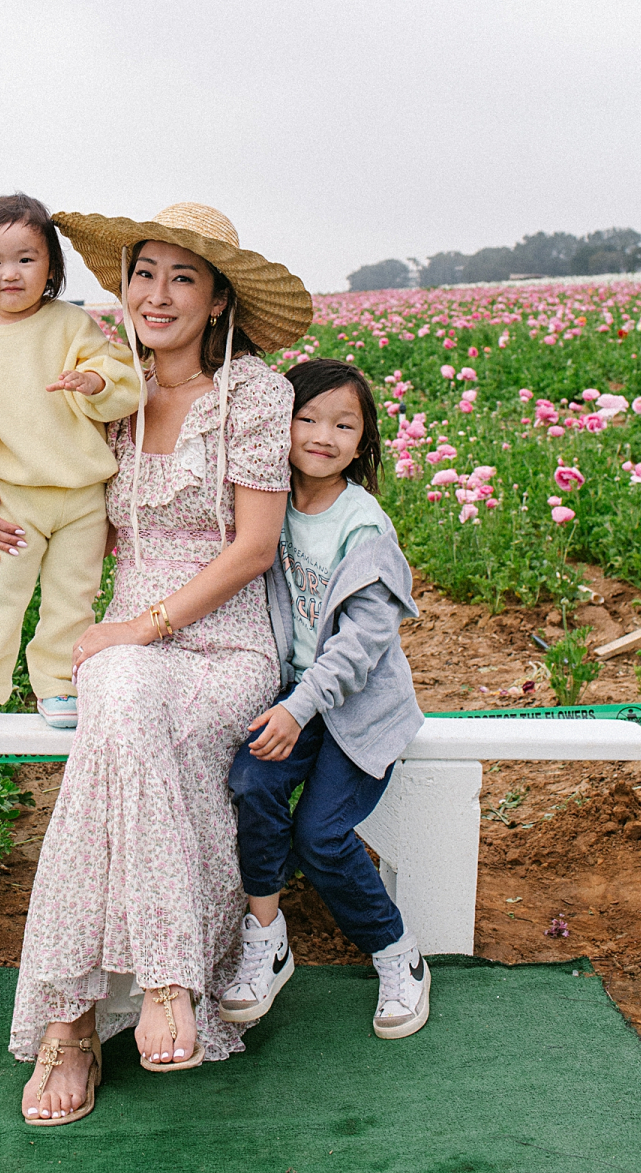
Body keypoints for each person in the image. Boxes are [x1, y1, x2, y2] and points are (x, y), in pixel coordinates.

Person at [0, 203, 312, 1126]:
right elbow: (35, 472)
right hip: (123, 643)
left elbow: (254, 546)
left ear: (216, 301)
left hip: (226, 637)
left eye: (182, 278)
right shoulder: (97, 386)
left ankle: (68, 1028)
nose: (156, 295)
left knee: (116, 705)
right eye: (144, 273)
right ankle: (166, 981)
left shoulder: (254, 394)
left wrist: (144, 626)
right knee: (118, 707)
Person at [220, 357, 429, 1039]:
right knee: (252, 782)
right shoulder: (268, 506)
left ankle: (396, 954)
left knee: (322, 835)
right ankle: (266, 938)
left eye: (343, 424)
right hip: (292, 696)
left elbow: (360, 647)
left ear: (363, 442)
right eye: (305, 418)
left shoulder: (363, 526)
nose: (321, 434)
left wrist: (298, 706)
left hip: (354, 706)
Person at [0, 193, 143, 727]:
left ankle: (59, 685)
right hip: (14, 495)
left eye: (25, 259)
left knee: (72, 597)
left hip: (83, 497)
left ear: (52, 267)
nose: (9, 273)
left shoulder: (71, 325)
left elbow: (117, 376)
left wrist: (94, 381)